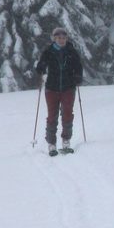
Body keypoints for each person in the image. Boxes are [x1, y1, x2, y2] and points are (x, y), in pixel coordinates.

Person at [35, 27, 83, 156]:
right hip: (51, 88)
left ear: (66, 39)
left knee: (67, 113)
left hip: (68, 87)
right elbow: (42, 64)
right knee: (52, 115)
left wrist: (78, 76)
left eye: (63, 38)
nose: (61, 40)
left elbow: (78, 66)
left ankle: (66, 140)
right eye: (59, 38)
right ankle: (51, 143)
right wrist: (40, 68)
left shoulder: (71, 51)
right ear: (54, 39)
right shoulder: (49, 51)